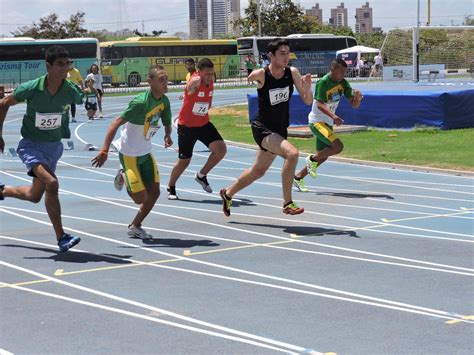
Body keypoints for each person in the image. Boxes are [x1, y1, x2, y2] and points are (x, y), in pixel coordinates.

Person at [0, 46, 84, 253]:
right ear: (49, 66)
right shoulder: (31, 88)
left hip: (54, 148)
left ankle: (1, 191)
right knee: (52, 183)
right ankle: (61, 237)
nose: (66, 68)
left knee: (33, 195)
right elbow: (3, 103)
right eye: (61, 64)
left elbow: (81, 98)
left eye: (68, 64)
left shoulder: (71, 91)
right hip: (31, 145)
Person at [219, 38, 313, 217]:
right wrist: (252, 76)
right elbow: (250, 77)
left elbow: (307, 100)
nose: (286, 57)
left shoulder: (291, 72)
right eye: (282, 54)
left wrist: (307, 88)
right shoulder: (263, 74)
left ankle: (228, 193)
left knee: (258, 171)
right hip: (262, 128)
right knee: (292, 154)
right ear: (271, 56)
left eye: (288, 53)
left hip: (279, 129)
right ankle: (287, 203)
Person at [91, 65, 172, 240]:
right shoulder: (140, 103)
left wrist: (167, 135)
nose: (166, 83)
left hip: (146, 152)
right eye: (161, 79)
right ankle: (122, 172)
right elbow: (116, 122)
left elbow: (166, 121)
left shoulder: (164, 101)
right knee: (140, 198)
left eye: (166, 79)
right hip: (129, 154)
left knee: (155, 193)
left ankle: (135, 226)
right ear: (150, 82)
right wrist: (104, 150)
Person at [293, 58, 363, 193]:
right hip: (317, 122)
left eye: (345, 72)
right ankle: (311, 159)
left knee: (323, 155)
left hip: (328, 123)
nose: (343, 75)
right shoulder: (323, 82)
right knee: (337, 146)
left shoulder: (344, 83)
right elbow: (319, 104)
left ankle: (298, 177)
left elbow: (353, 105)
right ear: (333, 70)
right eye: (341, 72)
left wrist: (358, 99)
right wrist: (334, 116)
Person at [167, 58, 226, 200]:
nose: (210, 76)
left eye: (212, 73)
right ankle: (171, 187)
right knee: (184, 161)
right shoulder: (195, 80)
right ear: (199, 72)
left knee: (221, 150)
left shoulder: (211, 81)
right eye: (207, 74)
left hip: (203, 124)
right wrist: (190, 89)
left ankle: (201, 175)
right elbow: (189, 89)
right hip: (187, 126)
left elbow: (208, 100)